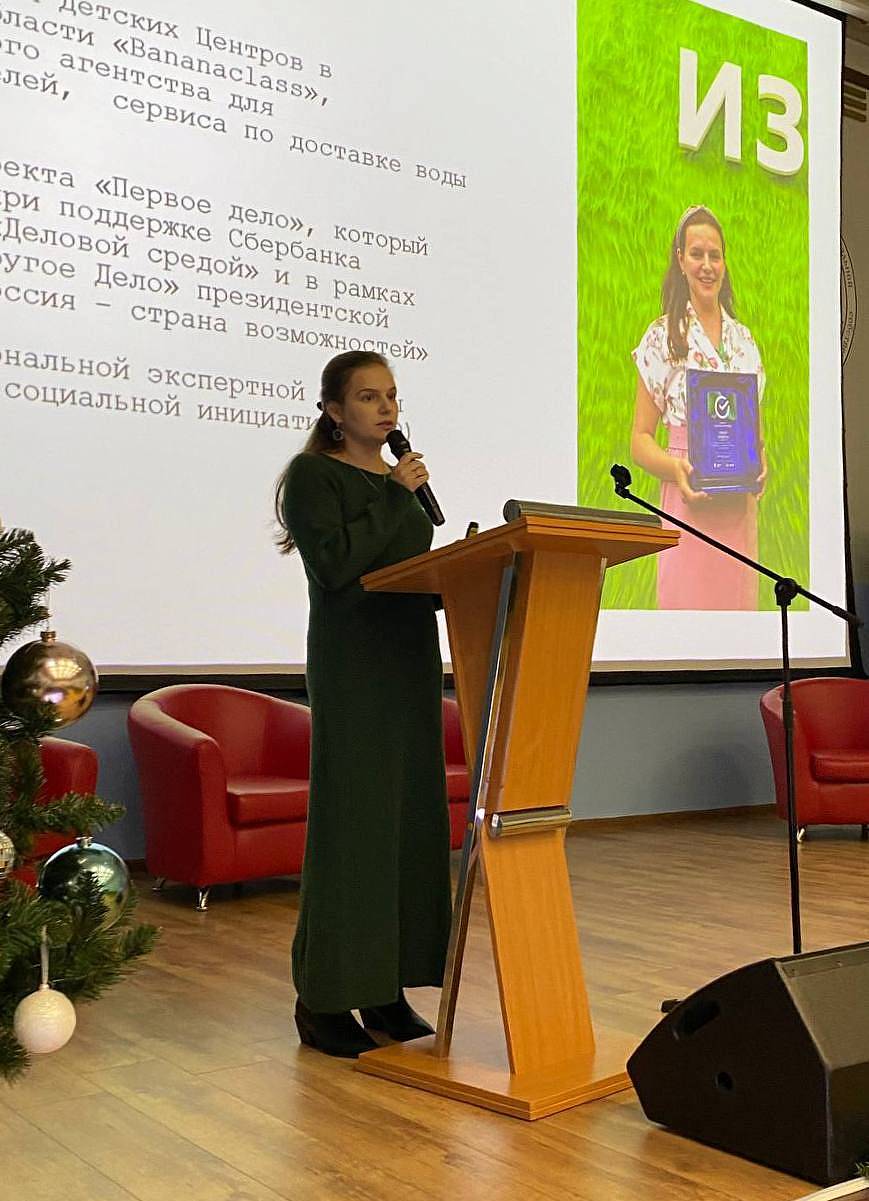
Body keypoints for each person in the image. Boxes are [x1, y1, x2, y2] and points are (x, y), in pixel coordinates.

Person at [274, 350, 452, 1058]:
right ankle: (322, 999)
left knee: (407, 824)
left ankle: (384, 988)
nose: (386, 409)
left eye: (392, 396)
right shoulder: (313, 475)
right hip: (354, 668)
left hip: (408, 661)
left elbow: (402, 568)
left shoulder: (396, 483)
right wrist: (396, 496)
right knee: (354, 828)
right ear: (333, 410)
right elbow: (337, 565)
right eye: (369, 397)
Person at [631, 205, 768, 610]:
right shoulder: (662, 336)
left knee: (738, 624)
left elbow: (755, 436)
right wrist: (676, 468)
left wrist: (761, 463)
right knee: (686, 620)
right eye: (696, 254)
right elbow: (640, 439)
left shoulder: (744, 341)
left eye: (715, 255)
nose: (707, 265)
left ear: (724, 262)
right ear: (680, 259)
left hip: (738, 509)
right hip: (686, 501)